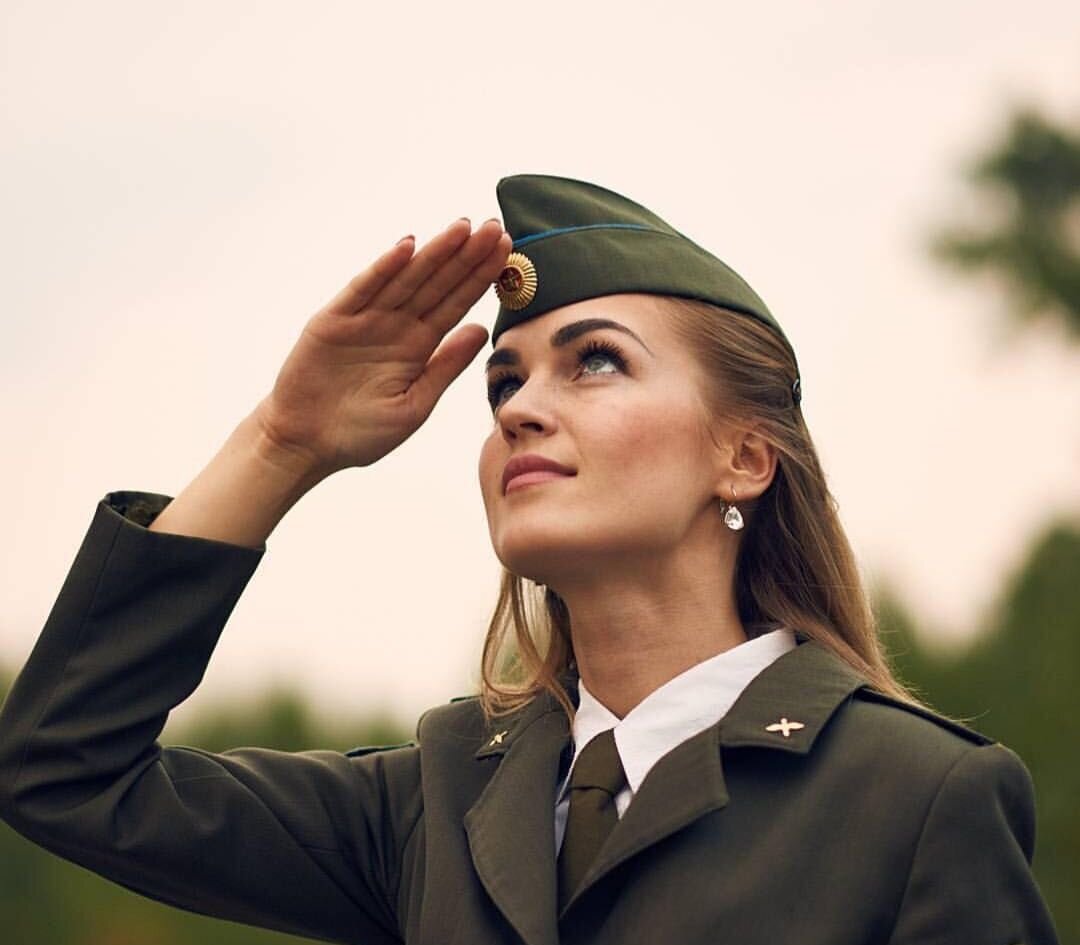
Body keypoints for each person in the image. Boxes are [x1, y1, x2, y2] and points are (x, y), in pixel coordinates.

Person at [0, 174, 1059, 945]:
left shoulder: (917, 799)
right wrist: (284, 442)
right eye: (502, 384)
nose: (525, 409)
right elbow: (63, 769)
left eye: (594, 362)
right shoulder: (440, 801)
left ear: (741, 458)